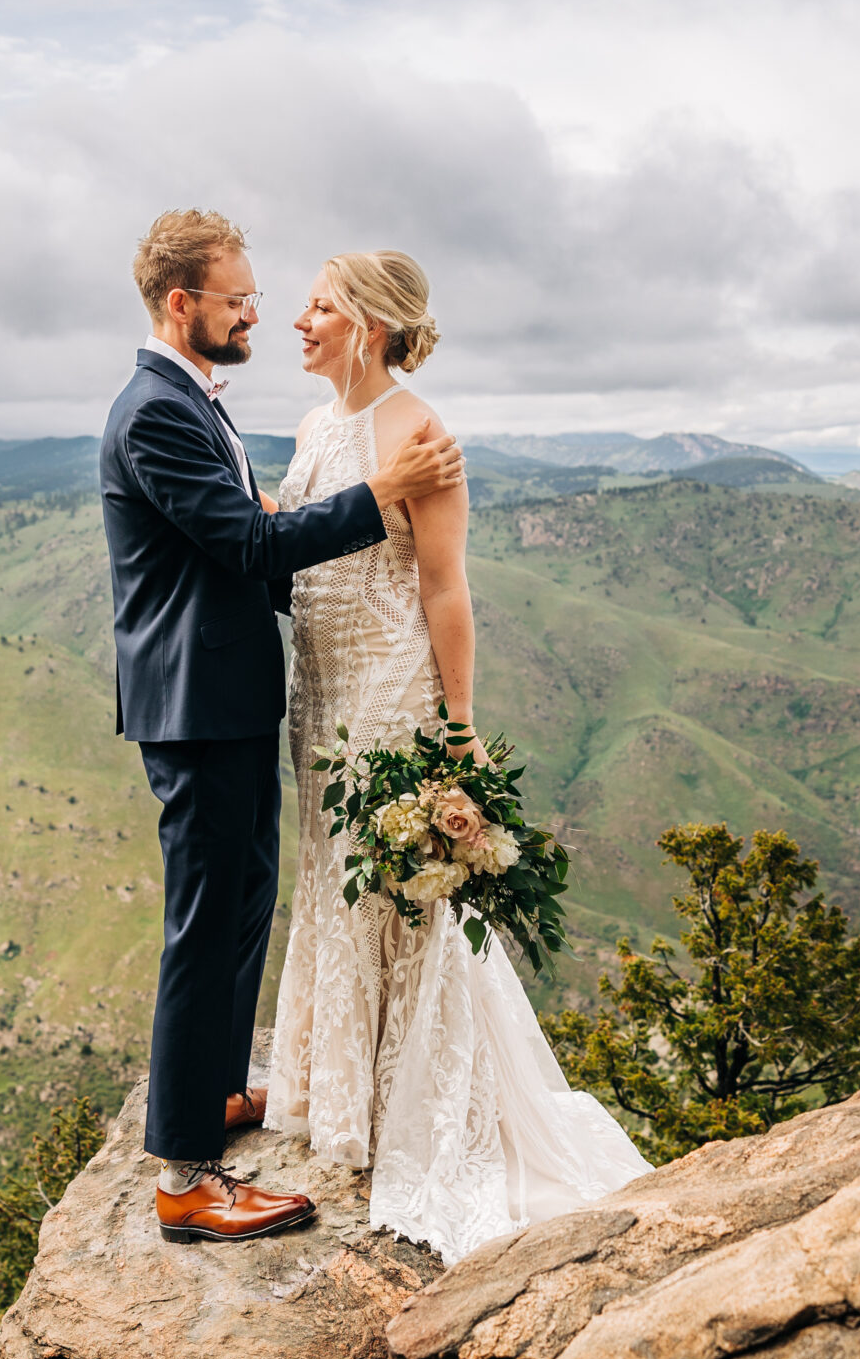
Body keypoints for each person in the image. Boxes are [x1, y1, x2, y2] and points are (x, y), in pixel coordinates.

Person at [264, 250, 649, 1264]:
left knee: (391, 892)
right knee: (327, 877)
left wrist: (459, 718)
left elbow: (443, 586)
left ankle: (420, 1109)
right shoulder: (314, 427)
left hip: (388, 685)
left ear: (371, 323)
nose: (297, 318)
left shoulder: (421, 432)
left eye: (319, 304)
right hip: (320, 691)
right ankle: (345, 1095)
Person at [100, 209, 467, 1246]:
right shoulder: (157, 411)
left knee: (245, 904)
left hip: (233, 702)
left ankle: (216, 1093)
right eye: (238, 299)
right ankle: (186, 1178)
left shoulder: (186, 400)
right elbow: (245, 546)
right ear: (185, 304)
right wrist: (379, 493)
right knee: (205, 927)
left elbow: (240, 534)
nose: (257, 314)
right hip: (195, 707)